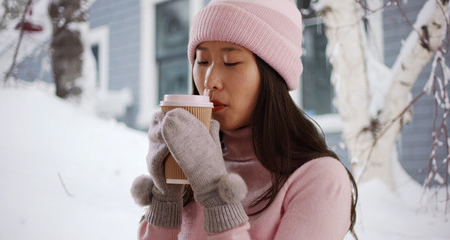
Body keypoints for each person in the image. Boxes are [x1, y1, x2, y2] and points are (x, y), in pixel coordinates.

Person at [131, 0, 358, 239]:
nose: (210, 81)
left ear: (272, 73)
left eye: (231, 62)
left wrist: (218, 198)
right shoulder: (191, 169)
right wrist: (165, 201)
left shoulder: (319, 179)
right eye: (202, 61)